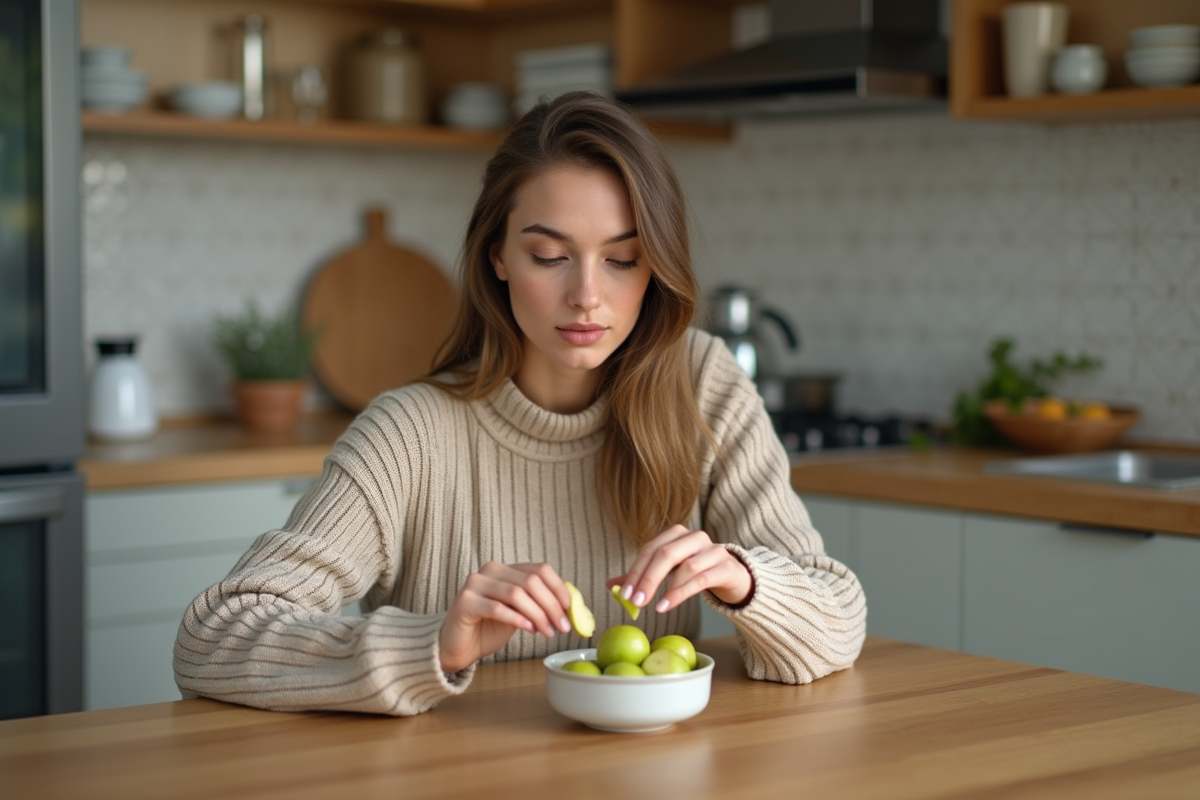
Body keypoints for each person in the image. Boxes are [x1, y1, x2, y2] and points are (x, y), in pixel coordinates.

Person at [174, 92, 866, 715]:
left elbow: (838, 619)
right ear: (497, 255)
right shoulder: (410, 433)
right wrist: (435, 645)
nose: (587, 296)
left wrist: (747, 581)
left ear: (655, 267)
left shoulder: (702, 384)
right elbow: (211, 638)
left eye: (622, 259)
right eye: (549, 255)